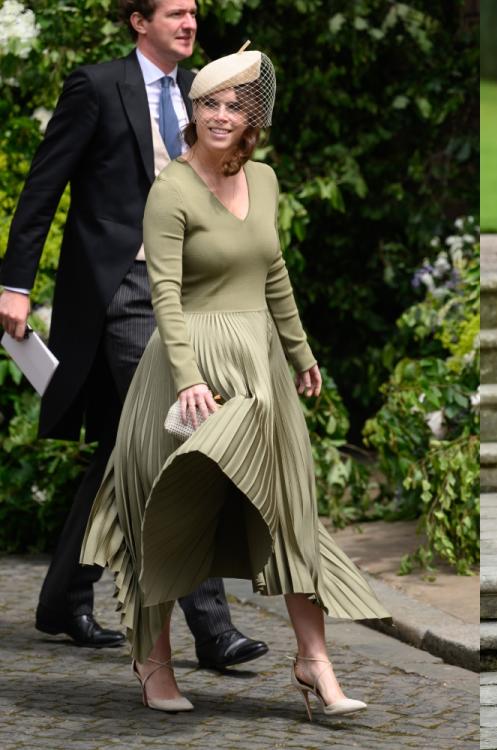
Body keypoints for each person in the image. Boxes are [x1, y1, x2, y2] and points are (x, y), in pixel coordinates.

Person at [79, 45, 389, 717]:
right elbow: (162, 292)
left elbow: (274, 273)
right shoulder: (173, 187)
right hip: (185, 368)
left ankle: (315, 664)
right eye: (209, 103)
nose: (221, 115)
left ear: (254, 117)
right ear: (193, 111)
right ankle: (154, 661)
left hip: (259, 368)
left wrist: (302, 355)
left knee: (290, 512)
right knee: (165, 512)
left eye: (235, 105)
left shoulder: (268, 179)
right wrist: (187, 377)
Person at [0, 0, 267, 668]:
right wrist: (13, 283)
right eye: (174, 12)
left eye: (195, 12)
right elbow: (44, 184)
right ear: (137, 21)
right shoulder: (97, 85)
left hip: (186, 291)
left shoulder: (202, 94)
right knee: (180, 433)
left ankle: (63, 597)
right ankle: (212, 628)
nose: (189, 23)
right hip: (121, 291)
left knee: (123, 448)